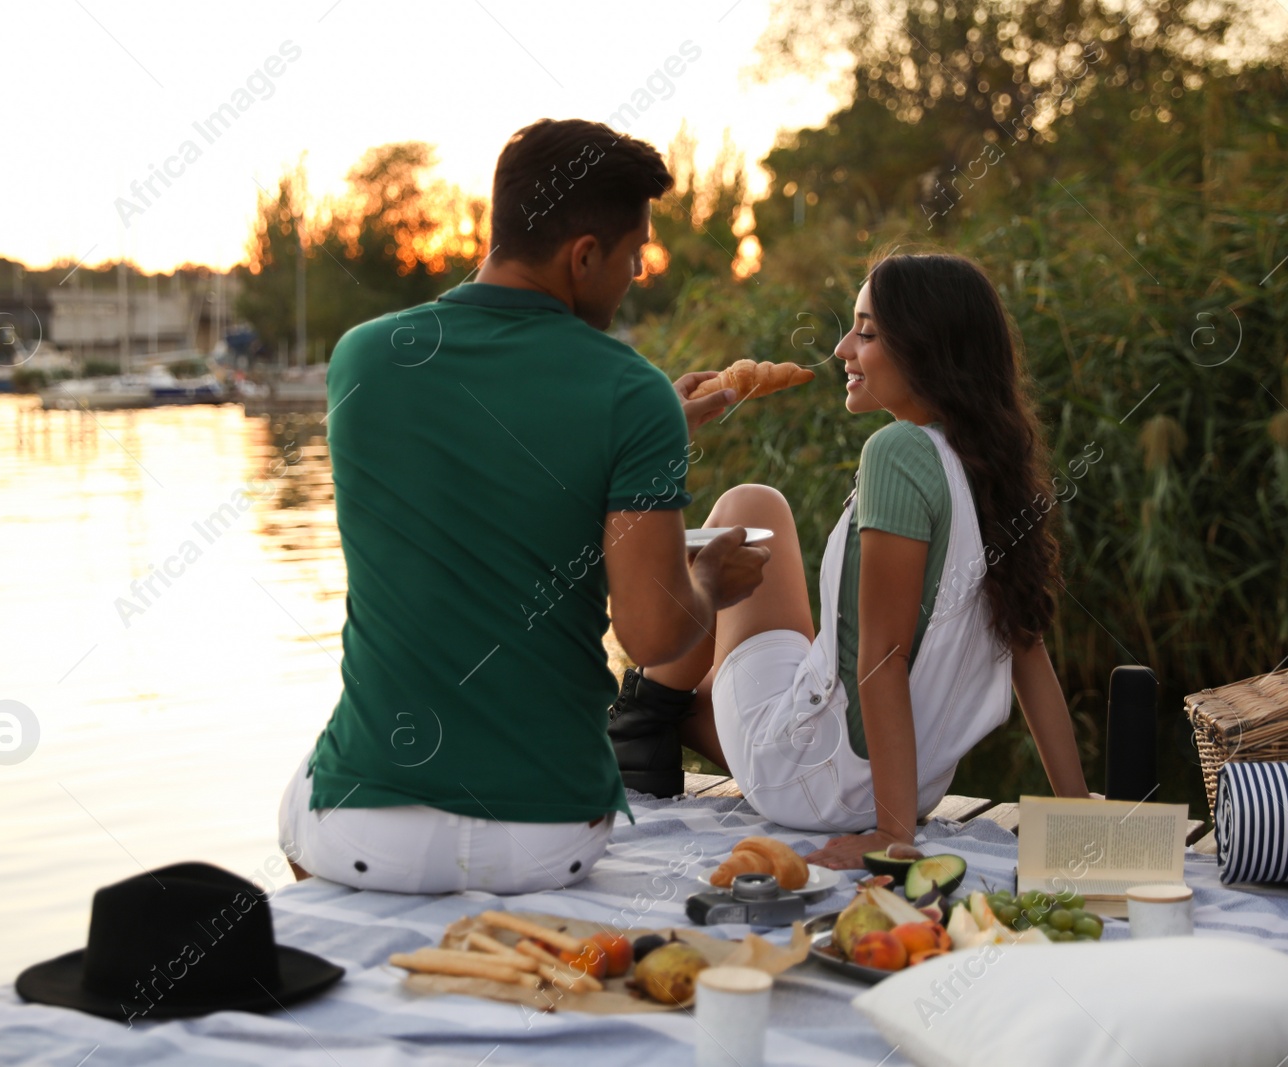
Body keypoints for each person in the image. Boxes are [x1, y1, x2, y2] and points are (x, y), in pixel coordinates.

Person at [278, 118, 769, 895]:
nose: (635, 274)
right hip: (549, 837)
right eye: (634, 255)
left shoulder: (362, 358)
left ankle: (349, 923)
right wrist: (708, 578)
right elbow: (651, 635)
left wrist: (656, 431)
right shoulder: (630, 391)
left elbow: (477, 478)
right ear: (582, 255)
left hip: (368, 836)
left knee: (307, 781)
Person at [608, 252, 1091, 867]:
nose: (841, 349)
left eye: (866, 332)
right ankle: (652, 724)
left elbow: (883, 659)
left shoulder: (896, 453)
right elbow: (1030, 655)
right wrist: (1079, 810)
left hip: (817, 782)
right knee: (761, 544)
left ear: (927, 349)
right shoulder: (990, 467)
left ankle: (636, 727)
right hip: (905, 784)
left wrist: (893, 838)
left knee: (746, 507)